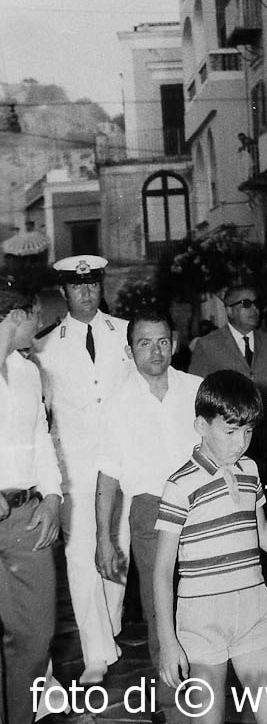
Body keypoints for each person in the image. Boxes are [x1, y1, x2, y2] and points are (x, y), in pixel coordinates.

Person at [153, 371, 267, 724]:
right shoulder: (180, 485)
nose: (241, 442)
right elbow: (163, 570)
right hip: (203, 622)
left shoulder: (250, 471)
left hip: (252, 614)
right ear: (201, 425)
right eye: (230, 432)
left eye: (248, 431)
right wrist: (168, 641)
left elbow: (262, 531)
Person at [32, 255, 133, 685]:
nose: (86, 293)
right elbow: (41, 414)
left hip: (123, 465)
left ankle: (109, 626)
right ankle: (96, 651)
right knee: (80, 556)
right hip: (74, 469)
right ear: (64, 292)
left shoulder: (126, 333)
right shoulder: (44, 347)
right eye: (77, 287)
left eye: (92, 285)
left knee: (119, 547)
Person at [94, 310, 201, 710]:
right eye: (144, 343)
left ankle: (208, 691)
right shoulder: (115, 404)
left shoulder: (197, 389)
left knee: (205, 601)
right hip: (150, 511)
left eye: (162, 342)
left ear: (174, 344)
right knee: (161, 608)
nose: (155, 351)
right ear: (129, 351)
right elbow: (107, 475)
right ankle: (173, 705)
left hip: (202, 506)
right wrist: (104, 539)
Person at [0, 279, 62, 724]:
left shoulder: (27, 373)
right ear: (17, 316)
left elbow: (41, 438)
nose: (39, 328)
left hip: (25, 517)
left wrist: (53, 496)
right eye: (36, 317)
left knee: (36, 634)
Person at [188, 283, 267, 392]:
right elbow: (194, 389)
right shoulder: (207, 346)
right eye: (246, 304)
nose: (254, 308)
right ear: (229, 311)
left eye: (256, 303)